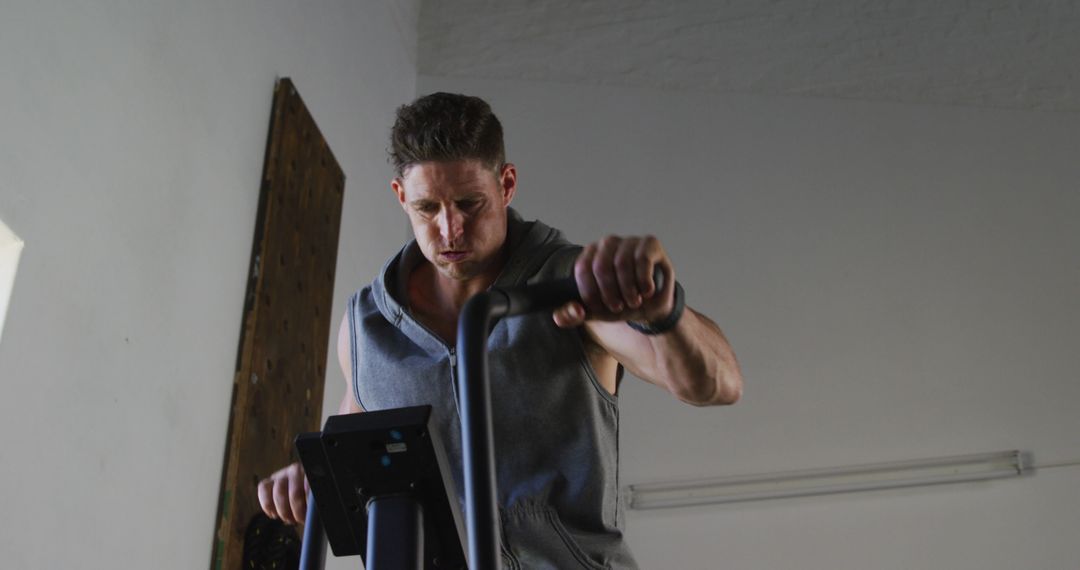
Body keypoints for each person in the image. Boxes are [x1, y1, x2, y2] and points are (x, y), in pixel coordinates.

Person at [257, 92, 744, 568]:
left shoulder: (568, 285)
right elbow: (355, 437)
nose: (450, 231)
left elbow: (714, 384)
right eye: (428, 208)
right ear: (400, 197)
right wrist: (308, 480)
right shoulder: (368, 327)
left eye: (470, 204)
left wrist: (665, 314)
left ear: (506, 185)